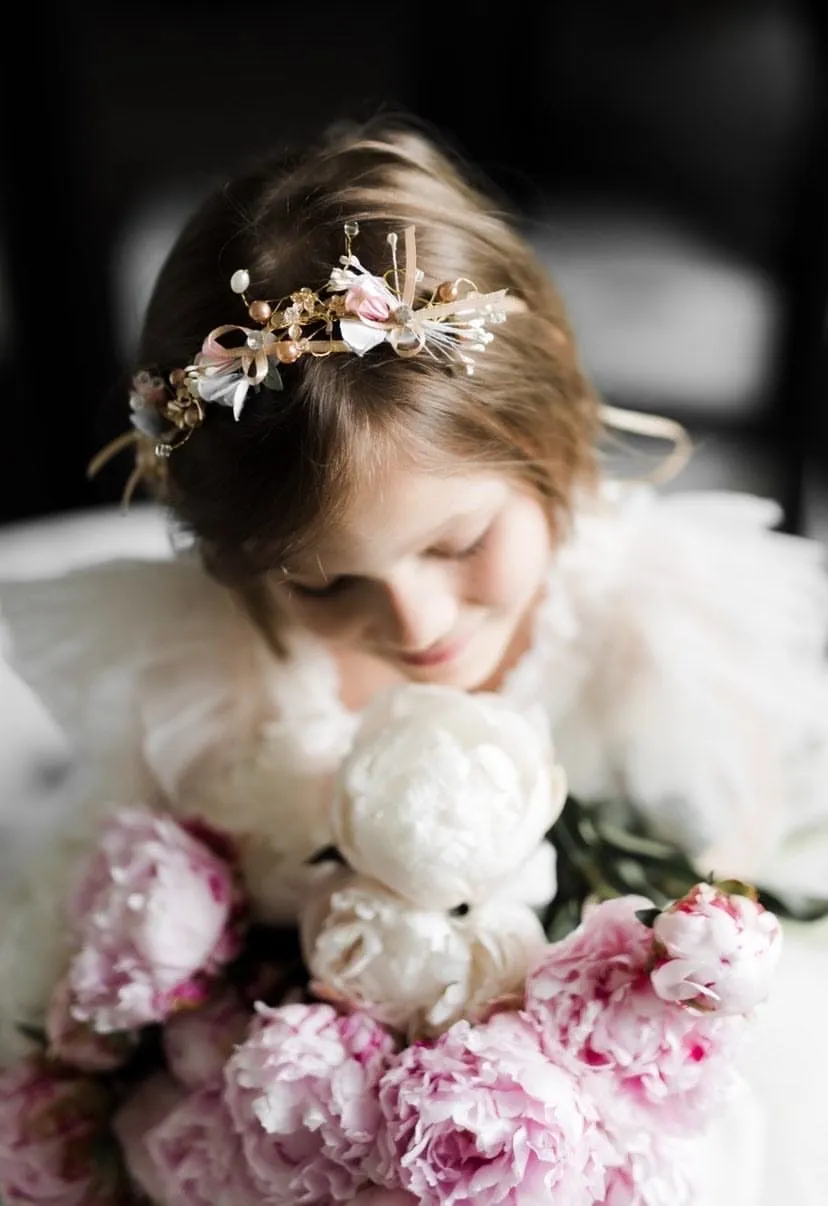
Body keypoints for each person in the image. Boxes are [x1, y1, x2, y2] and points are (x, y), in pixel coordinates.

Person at [1, 115, 827, 1205]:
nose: (415, 620)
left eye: (458, 543)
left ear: (552, 439)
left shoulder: (665, 646)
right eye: (321, 580)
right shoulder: (211, 685)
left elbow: (734, 891)